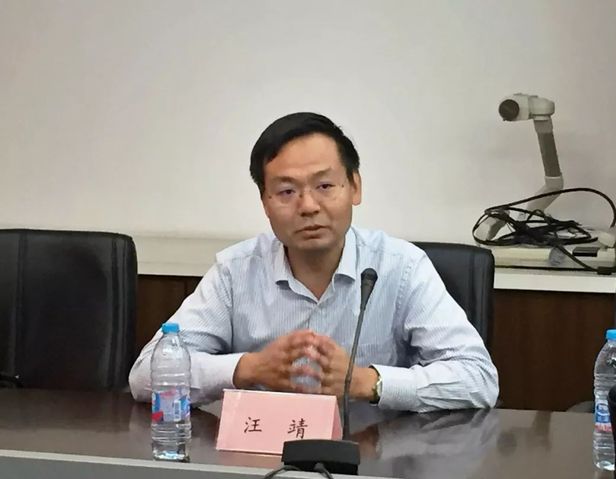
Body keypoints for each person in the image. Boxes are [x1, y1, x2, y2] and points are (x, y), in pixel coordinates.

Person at [129, 112, 499, 412]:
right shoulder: (235, 271)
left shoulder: (401, 268)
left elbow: (478, 379)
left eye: (324, 186)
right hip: (260, 460)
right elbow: (145, 375)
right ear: (265, 202)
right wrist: (249, 368)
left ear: (355, 187)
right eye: (286, 191)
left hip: (370, 458)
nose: (308, 206)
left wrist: (367, 382)